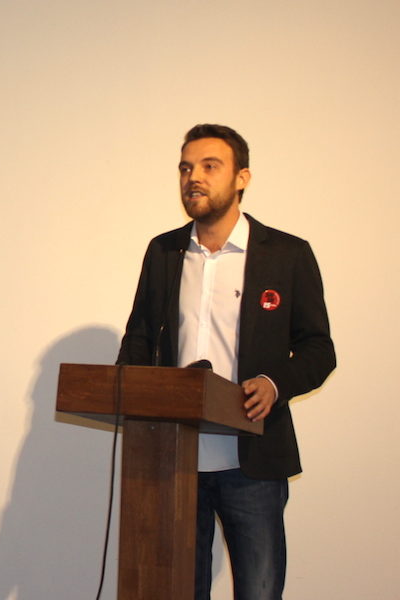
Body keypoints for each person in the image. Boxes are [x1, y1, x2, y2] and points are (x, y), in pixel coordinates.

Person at [116, 124, 335, 599]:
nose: (193, 177)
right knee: (176, 590)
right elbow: (138, 339)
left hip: (252, 462)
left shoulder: (287, 254)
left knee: (258, 591)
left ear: (242, 178)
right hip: (173, 460)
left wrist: (274, 383)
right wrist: (127, 392)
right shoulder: (164, 251)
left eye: (209, 166)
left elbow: (319, 349)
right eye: (185, 168)